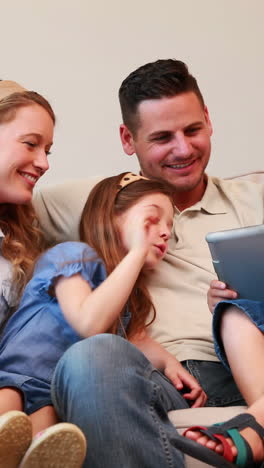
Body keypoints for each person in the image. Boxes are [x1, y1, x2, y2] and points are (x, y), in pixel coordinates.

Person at [35, 59, 264, 467]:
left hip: (240, 369)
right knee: (90, 356)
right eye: (162, 137)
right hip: (147, 379)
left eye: (193, 130)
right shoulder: (100, 200)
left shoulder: (254, 200)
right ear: (128, 138)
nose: (183, 149)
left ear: (209, 121)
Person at [0, 171, 207, 467]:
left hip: (54, 395)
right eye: (152, 219)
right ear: (110, 216)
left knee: (40, 452)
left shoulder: (120, 298)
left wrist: (169, 363)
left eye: (169, 227)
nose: (164, 232)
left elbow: (135, 337)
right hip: (18, 376)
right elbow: (88, 321)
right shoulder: (75, 256)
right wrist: (137, 251)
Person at [0, 80, 86, 467]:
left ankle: (35, 440)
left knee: (65, 287)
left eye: (48, 150)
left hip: (17, 375)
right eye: (31, 144)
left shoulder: (17, 240)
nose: (44, 162)